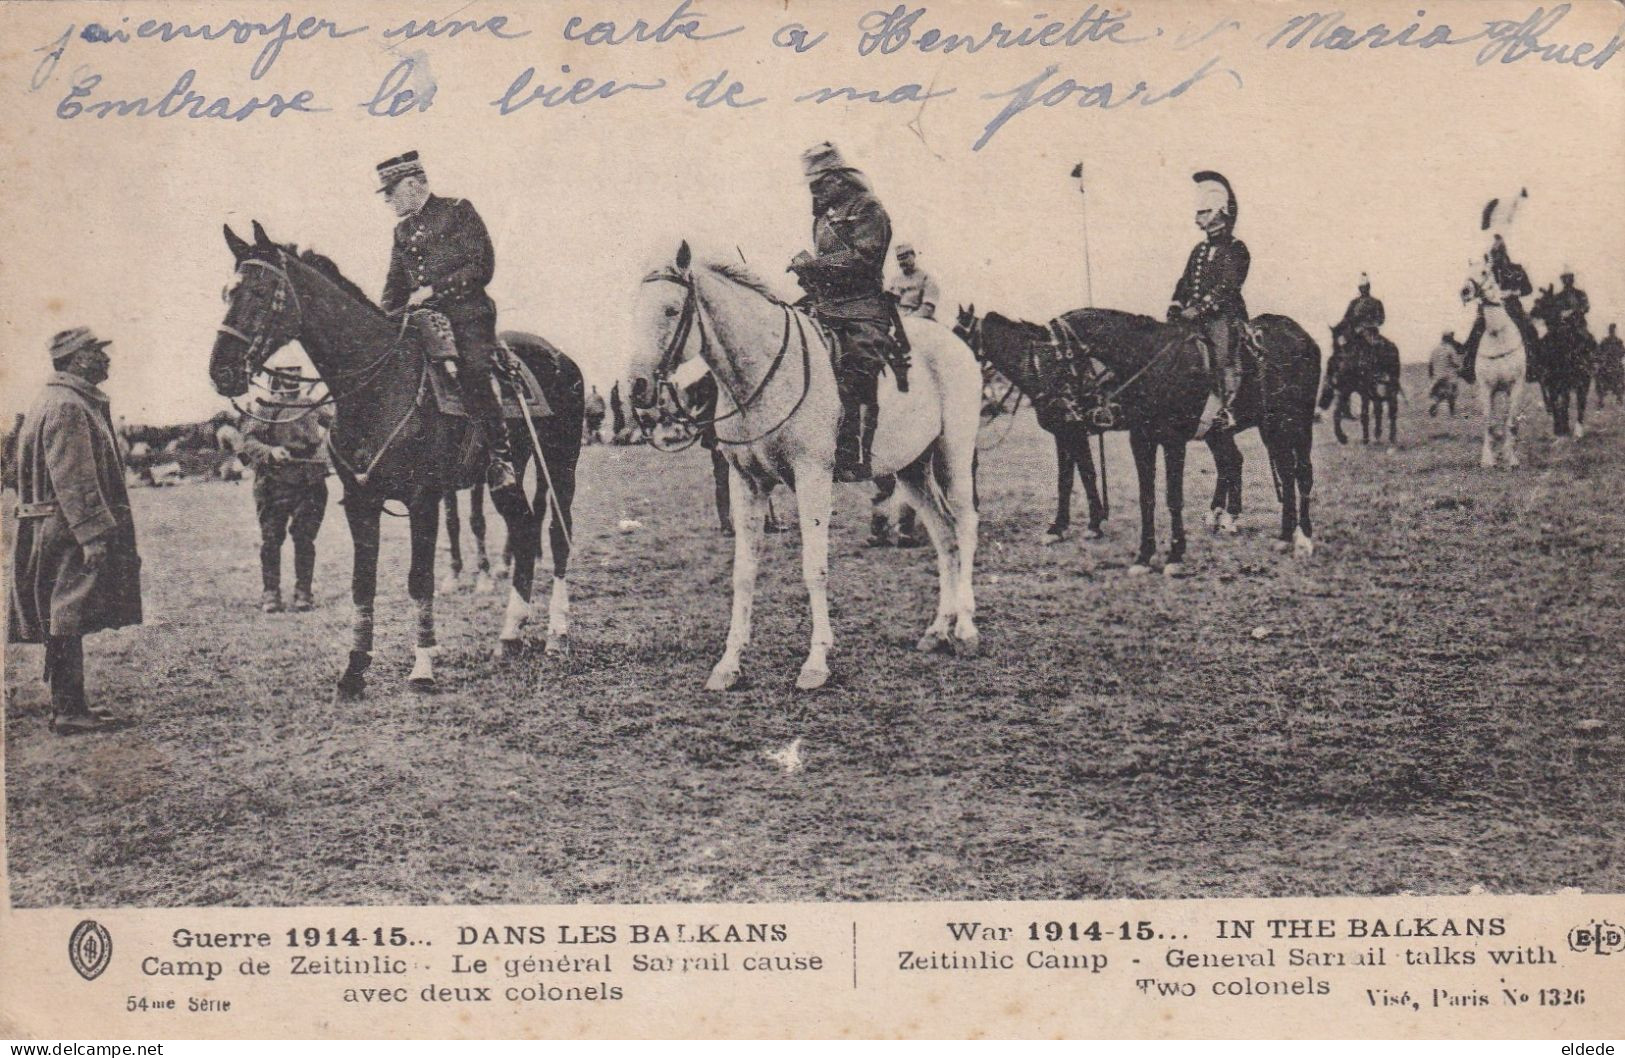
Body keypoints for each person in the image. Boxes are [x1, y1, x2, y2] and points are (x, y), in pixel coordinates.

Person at [8, 328, 143, 735]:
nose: (105, 359)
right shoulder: (68, 405)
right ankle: (68, 709)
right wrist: (91, 534)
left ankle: (70, 704)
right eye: (96, 352)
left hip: (47, 523)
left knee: (61, 613)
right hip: (64, 528)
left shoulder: (51, 400)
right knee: (66, 613)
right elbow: (75, 478)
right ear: (76, 359)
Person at [376, 150, 524, 507]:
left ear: (412, 184)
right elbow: (395, 286)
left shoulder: (458, 211)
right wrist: (380, 318)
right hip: (424, 322)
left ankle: (500, 459)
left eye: (392, 192)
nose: (389, 201)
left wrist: (434, 290)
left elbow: (481, 266)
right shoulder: (402, 231)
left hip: (468, 316)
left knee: (474, 372)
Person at [788, 142, 903, 482]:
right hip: (825, 303)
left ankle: (853, 452)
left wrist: (817, 264)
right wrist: (806, 271)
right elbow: (828, 266)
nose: (814, 188)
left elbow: (866, 258)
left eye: (820, 180)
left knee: (859, 363)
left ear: (838, 178)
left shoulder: (868, 208)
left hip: (862, 304)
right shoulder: (823, 217)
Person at [239, 368, 333, 613]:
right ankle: (270, 592)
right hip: (274, 481)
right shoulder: (267, 407)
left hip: (310, 481)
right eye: (287, 373)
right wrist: (270, 452)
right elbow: (248, 440)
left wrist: (325, 445)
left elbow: (339, 424)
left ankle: (304, 591)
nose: (293, 378)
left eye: (296, 372)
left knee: (305, 538)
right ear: (278, 377)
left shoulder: (312, 405)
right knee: (271, 538)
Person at [1168, 170, 1250, 439]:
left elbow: (1227, 287)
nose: (1197, 219)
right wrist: (1177, 306)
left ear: (1219, 213)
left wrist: (1200, 308)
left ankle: (1227, 409)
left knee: (1222, 355)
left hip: (1223, 317)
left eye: (1203, 213)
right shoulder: (1199, 250)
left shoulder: (1237, 249)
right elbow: (1184, 281)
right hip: (1193, 317)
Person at [1462, 232, 1535, 383]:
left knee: (1529, 329)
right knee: (1475, 331)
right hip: (1490, 309)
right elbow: (1477, 286)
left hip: (1512, 308)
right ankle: (1468, 367)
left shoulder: (1517, 269)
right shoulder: (1487, 272)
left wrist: (1513, 292)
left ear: (1504, 253)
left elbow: (1528, 289)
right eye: (1493, 253)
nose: (1496, 257)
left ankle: (1532, 366)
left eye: (1498, 253)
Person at [887, 242, 941, 321]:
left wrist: (908, 319)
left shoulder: (926, 278)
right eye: (899, 259)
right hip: (895, 320)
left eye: (905, 257)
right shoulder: (895, 281)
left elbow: (928, 308)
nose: (902, 262)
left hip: (916, 319)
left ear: (913, 255)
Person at [1428, 331, 1465, 417]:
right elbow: (1456, 363)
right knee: (1452, 394)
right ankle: (1452, 413)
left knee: (1437, 394)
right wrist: (1460, 368)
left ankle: (1434, 404)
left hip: (1437, 377)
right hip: (1449, 377)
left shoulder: (1435, 349)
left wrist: (1431, 376)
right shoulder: (1450, 349)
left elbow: (1430, 364)